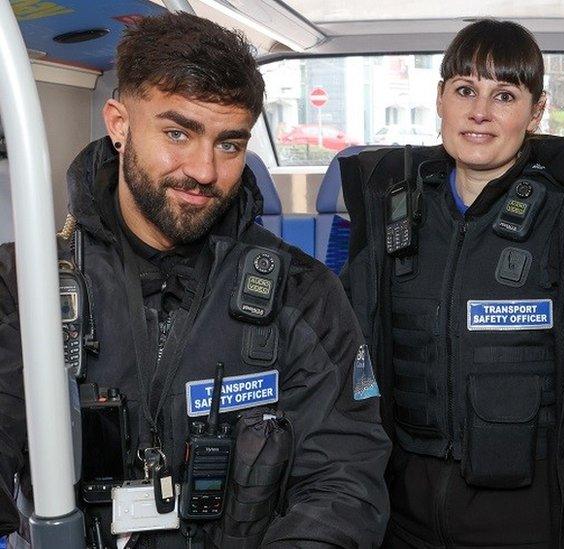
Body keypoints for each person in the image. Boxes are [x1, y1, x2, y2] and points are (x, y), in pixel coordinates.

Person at [0, 12, 390, 547]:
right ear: (119, 124)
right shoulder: (22, 287)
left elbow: (344, 482)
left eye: (229, 145)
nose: (205, 170)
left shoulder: (303, 294)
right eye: (178, 133)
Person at [340, 19, 564, 548]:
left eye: (503, 95)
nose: (479, 112)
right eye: (465, 90)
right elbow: (352, 361)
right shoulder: (390, 213)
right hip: (403, 517)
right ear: (440, 99)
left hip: (534, 518)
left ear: (536, 110)